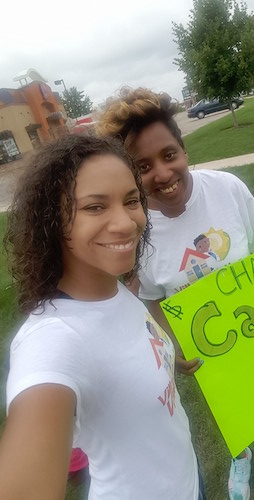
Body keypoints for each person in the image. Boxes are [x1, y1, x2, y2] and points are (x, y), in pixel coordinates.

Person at [96, 87, 254, 500]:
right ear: (129, 172)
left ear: (183, 148)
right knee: (230, 410)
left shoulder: (227, 188)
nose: (161, 173)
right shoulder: (137, 229)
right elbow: (152, 297)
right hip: (210, 347)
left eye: (169, 155)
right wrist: (171, 344)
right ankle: (241, 453)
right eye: (143, 165)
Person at [0, 134, 204, 499]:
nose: (126, 223)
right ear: (52, 221)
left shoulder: (116, 290)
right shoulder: (53, 340)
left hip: (190, 482)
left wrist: (167, 360)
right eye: (95, 207)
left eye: (131, 201)